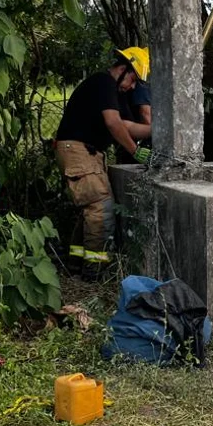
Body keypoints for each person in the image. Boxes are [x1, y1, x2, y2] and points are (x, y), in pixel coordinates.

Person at [55, 48, 152, 274]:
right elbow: (113, 123)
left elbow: (126, 125)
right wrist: (134, 150)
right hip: (77, 150)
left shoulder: (114, 92)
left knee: (90, 208)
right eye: (133, 79)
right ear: (122, 69)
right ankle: (94, 271)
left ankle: (76, 263)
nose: (133, 86)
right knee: (101, 207)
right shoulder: (103, 82)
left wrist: (155, 131)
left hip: (84, 152)